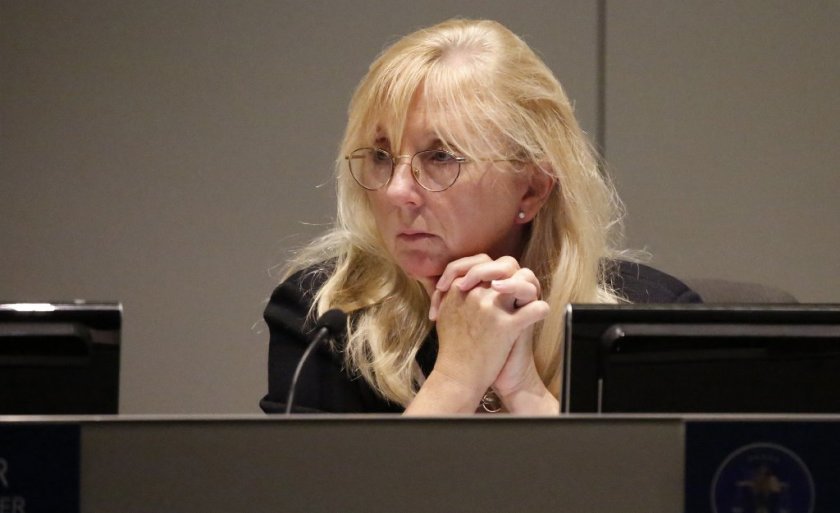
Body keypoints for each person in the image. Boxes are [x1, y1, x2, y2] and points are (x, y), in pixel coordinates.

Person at [260, 19, 700, 415]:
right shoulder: (323, 317)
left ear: (531, 187)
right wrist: (456, 379)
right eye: (380, 155)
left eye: (441, 156)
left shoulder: (651, 325)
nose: (396, 191)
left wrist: (527, 395)